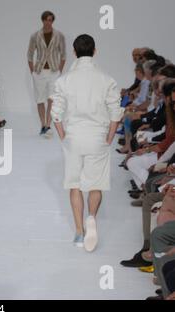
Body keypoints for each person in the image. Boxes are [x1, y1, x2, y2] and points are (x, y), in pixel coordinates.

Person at [50, 34, 124, 252]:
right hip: (98, 137)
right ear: (95, 51)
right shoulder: (106, 79)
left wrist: (64, 135)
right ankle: (92, 217)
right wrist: (110, 137)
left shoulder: (64, 80)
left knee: (74, 185)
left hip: (73, 137)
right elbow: (115, 112)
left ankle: (79, 232)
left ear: (74, 52)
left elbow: (56, 114)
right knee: (95, 184)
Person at [28, 10, 66, 138]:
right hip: (39, 71)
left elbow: (63, 54)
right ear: (42, 20)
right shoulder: (35, 36)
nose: (48, 22)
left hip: (54, 71)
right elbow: (29, 54)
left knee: (51, 99)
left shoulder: (59, 35)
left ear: (53, 21)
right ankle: (43, 124)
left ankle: (48, 125)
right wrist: (32, 71)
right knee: (40, 99)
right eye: (46, 19)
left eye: (50, 20)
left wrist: (60, 70)